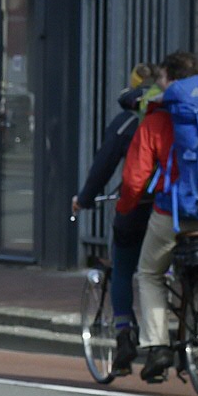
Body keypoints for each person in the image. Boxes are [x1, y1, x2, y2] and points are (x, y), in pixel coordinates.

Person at [117, 50, 198, 382]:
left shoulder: (156, 120)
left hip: (175, 214)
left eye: (163, 79)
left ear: (169, 79)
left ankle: (158, 347)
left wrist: (125, 208)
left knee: (149, 273)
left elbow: (134, 178)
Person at [72, 63, 159, 375]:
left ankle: (124, 336)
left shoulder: (128, 121)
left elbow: (104, 165)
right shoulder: (181, 116)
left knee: (123, 269)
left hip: (140, 205)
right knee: (165, 272)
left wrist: (84, 199)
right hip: (182, 207)